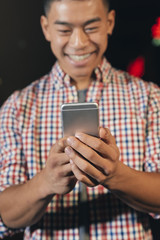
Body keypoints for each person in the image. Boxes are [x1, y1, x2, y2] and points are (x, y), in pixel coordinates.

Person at [0, 0, 160, 239]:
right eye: (64, 30)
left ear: (110, 22)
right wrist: (47, 182)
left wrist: (115, 175)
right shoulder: (17, 106)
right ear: (46, 28)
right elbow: (6, 215)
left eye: (91, 27)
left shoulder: (149, 98)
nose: (79, 42)